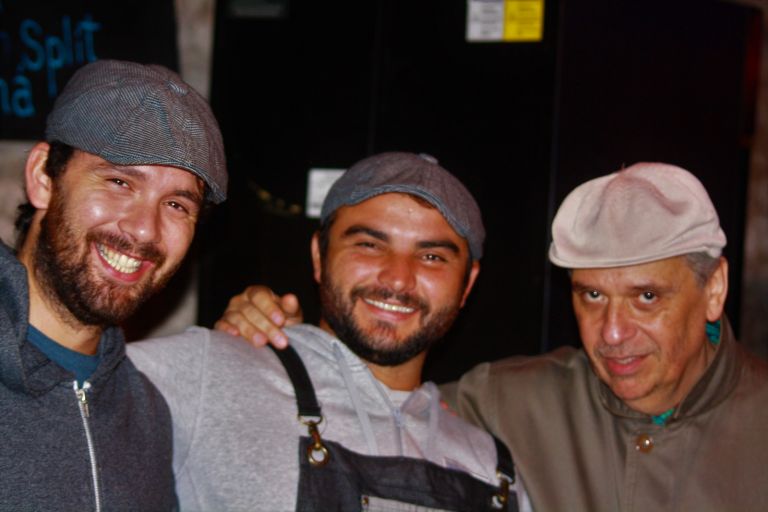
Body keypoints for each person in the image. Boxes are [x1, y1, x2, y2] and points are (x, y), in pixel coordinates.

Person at [224, 162, 768, 511]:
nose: (613, 332)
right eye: (591, 295)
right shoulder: (505, 401)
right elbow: (371, 397)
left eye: (646, 296)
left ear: (714, 289)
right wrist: (274, 338)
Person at [128, 152, 529, 511]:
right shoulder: (208, 373)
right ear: (319, 255)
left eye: (431, 256)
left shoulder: (493, 471)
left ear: (467, 284)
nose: (398, 278)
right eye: (370, 245)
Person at [0, 59, 227, 510]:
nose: (144, 229)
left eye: (177, 205)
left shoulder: (148, 414)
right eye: (119, 182)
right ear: (44, 177)